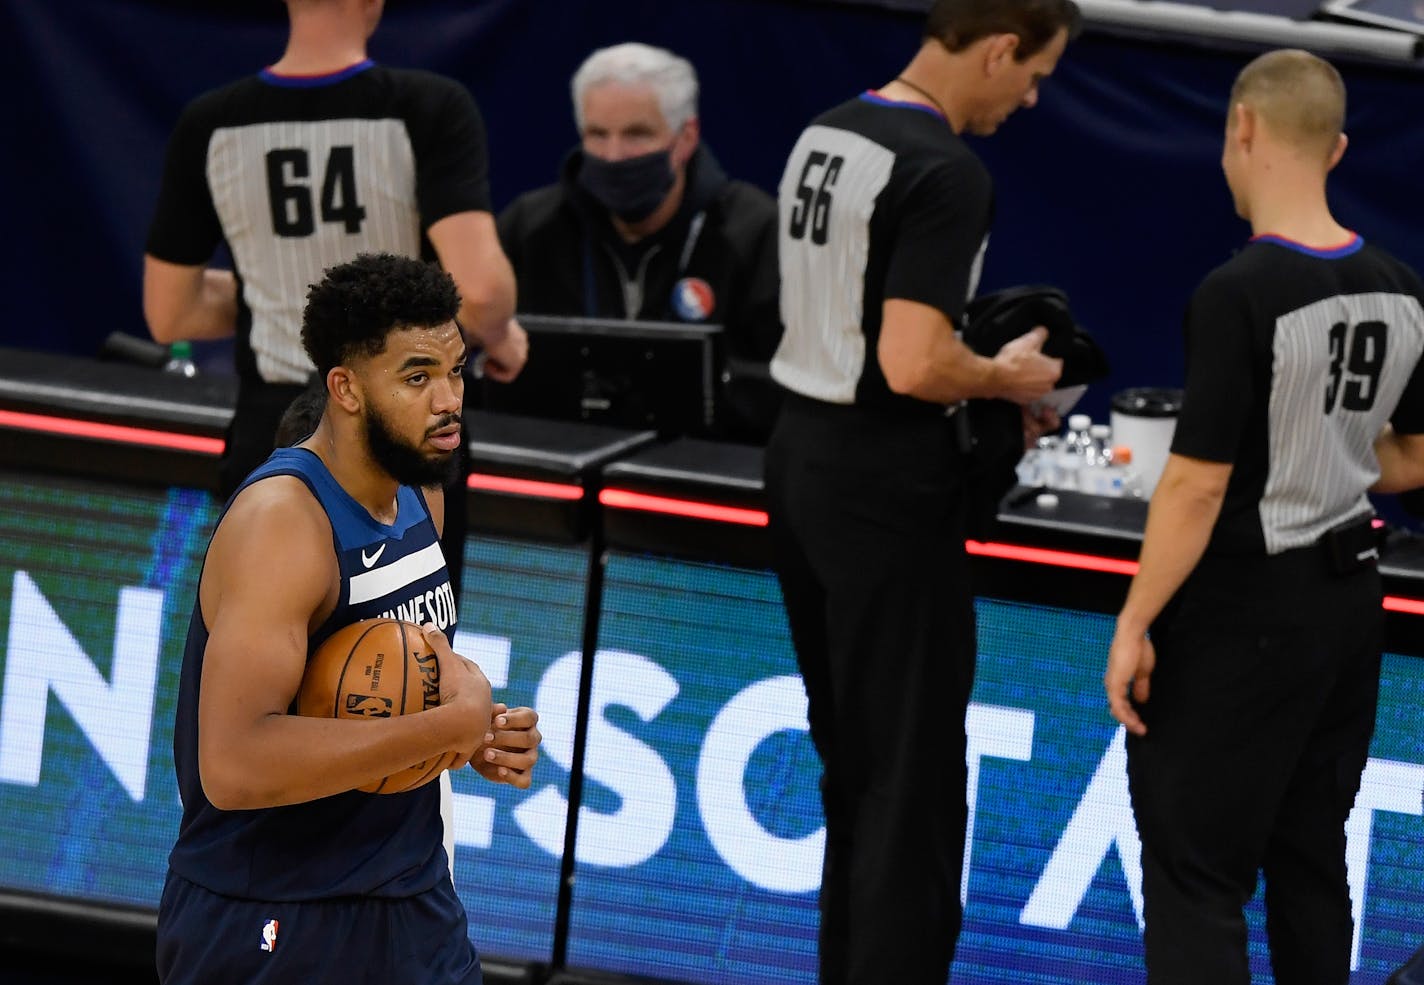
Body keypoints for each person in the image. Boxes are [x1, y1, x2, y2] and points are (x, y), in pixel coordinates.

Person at [763, 1, 1078, 981]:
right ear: (995, 48)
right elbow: (908, 361)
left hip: (796, 461)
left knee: (852, 768)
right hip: (880, 487)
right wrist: (1007, 378)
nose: (1029, 96)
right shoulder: (945, 169)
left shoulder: (828, 128)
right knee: (911, 782)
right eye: (1032, 74)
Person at [1104, 49, 1424, 985]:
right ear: (1337, 148)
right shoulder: (1400, 285)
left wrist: (1134, 621)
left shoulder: (1237, 291)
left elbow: (1196, 487)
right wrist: (1326, 451)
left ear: (1241, 128)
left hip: (1242, 615)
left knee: (1195, 873)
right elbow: (1412, 456)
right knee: (1310, 858)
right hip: (1347, 606)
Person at [156, 253, 540, 985]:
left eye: (456, 371)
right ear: (346, 387)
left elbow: (392, 686)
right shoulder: (283, 523)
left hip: (411, 898)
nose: (448, 399)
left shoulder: (422, 493)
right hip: (274, 913)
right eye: (417, 376)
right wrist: (441, 728)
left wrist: (475, 735)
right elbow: (233, 764)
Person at [142, 0, 528, 594]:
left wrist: (277, 299)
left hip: (271, 429)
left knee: (266, 646)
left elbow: (171, 314)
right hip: (399, 423)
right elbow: (479, 294)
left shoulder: (211, 123)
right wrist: (499, 333)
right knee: (404, 665)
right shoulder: (427, 107)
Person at [496, 42, 781, 441]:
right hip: (560, 461)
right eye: (597, 134)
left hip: (698, 468)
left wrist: (687, 388)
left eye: (636, 134)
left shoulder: (754, 232)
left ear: (686, 138)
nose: (613, 156)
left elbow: (787, 382)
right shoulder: (532, 227)